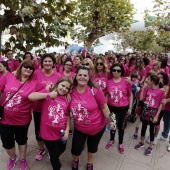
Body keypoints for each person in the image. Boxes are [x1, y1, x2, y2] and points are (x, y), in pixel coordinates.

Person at [0, 59, 43, 170]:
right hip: (4, 118)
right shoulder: (9, 77)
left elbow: (47, 91)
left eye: (31, 68)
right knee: (7, 143)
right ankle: (13, 157)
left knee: (22, 140)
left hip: (22, 120)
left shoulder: (35, 83)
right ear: (20, 67)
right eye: (25, 66)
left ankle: (23, 159)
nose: (28, 69)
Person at [70, 65, 116, 170]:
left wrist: (112, 121)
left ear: (88, 77)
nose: (82, 77)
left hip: (97, 127)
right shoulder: (71, 91)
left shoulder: (95, 90)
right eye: (80, 75)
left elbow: (105, 107)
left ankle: (90, 163)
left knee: (92, 148)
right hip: (79, 127)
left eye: (85, 75)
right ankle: (75, 160)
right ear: (76, 76)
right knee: (75, 149)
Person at [28, 77, 72, 170]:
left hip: (61, 132)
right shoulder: (48, 93)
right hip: (48, 133)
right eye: (62, 85)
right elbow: (31, 96)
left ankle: (53, 156)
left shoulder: (67, 98)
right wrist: (48, 94)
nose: (64, 89)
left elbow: (67, 115)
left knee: (62, 149)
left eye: (67, 88)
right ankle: (56, 164)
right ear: (57, 84)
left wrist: (67, 130)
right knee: (55, 157)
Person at [32, 53, 60, 161]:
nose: (47, 63)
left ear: (53, 63)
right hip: (38, 107)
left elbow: (60, 91)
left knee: (51, 129)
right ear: (42, 63)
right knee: (38, 130)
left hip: (51, 108)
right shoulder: (36, 73)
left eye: (50, 61)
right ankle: (41, 149)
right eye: (45, 61)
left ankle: (51, 149)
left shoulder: (57, 76)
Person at [105, 63, 133, 153]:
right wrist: (105, 106)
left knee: (121, 126)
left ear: (122, 72)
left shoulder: (126, 81)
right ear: (112, 71)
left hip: (123, 107)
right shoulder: (108, 82)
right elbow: (107, 94)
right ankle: (111, 140)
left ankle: (120, 143)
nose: (116, 72)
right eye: (114, 70)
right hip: (111, 107)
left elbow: (130, 94)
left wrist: (130, 107)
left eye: (118, 70)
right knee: (112, 125)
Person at [135, 74, 165, 156]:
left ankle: (151, 146)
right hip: (145, 110)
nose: (147, 80)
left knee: (152, 129)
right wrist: (143, 88)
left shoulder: (161, 92)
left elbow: (160, 104)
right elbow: (141, 99)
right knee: (143, 127)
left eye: (149, 79)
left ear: (153, 81)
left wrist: (157, 115)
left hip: (153, 112)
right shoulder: (147, 89)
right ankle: (141, 142)